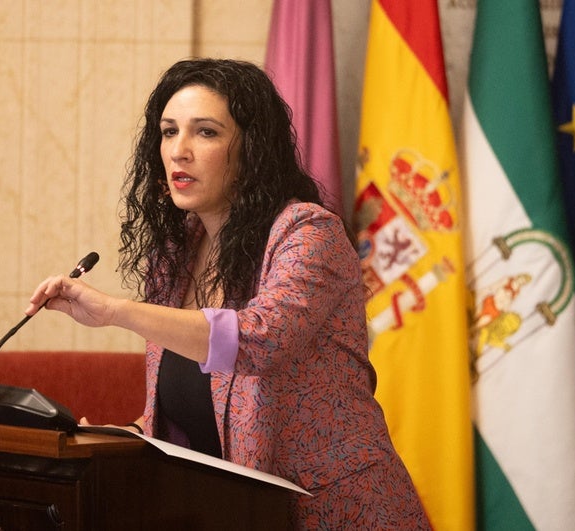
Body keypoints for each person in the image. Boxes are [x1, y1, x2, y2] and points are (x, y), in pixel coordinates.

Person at [26, 58, 429, 529]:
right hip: (242, 515)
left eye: (206, 133)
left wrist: (116, 311)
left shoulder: (308, 233)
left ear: (252, 150)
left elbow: (257, 341)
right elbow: (195, 413)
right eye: (168, 131)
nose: (179, 151)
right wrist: (122, 437)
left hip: (341, 512)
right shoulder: (178, 253)